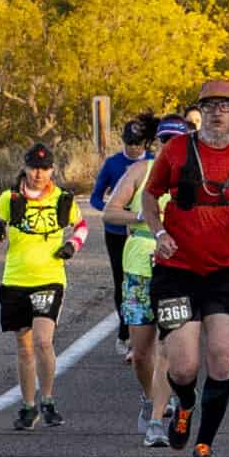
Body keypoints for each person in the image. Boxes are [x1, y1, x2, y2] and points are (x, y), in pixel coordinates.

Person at [143, 78, 229, 457]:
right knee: (184, 367)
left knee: (221, 358)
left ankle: (205, 444)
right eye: (211, 104)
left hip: (228, 272)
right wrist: (160, 233)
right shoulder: (176, 150)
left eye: (226, 105)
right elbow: (150, 197)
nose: (218, 111)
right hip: (176, 272)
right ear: (200, 110)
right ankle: (185, 404)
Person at [103, 115, 189, 444]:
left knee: (169, 345)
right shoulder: (141, 171)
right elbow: (111, 211)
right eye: (164, 140)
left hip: (178, 266)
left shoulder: (193, 177)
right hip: (140, 267)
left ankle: (158, 417)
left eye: (176, 141)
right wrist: (144, 216)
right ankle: (150, 398)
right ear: (157, 144)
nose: (170, 147)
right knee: (142, 352)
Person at [0, 144, 85, 430]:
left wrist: (71, 246)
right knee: (24, 345)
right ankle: (28, 406)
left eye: (44, 168)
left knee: (43, 340)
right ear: (25, 168)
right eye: (33, 168)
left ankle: (49, 399)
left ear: (52, 169)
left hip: (49, 277)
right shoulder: (9, 198)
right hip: (16, 279)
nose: (38, 174)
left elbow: (81, 227)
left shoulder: (61, 199)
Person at [90, 114, 155, 342]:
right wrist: (116, 209)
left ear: (146, 143)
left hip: (146, 234)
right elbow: (95, 198)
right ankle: (125, 329)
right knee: (121, 280)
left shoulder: (153, 163)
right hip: (117, 232)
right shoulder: (113, 163)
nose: (133, 148)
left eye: (138, 143)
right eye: (129, 143)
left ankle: (149, 331)